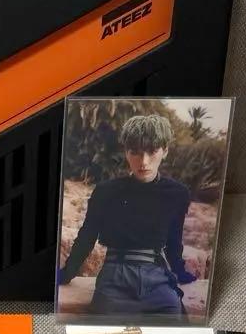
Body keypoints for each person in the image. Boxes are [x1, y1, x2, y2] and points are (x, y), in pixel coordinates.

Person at [57, 114, 196, 317]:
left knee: (175, 320)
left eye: (152, 151)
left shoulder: (177, 193)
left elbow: (174, 241)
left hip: (157, 278)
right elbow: (87, 236)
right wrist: (67, 273)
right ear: (126, 152)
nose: (144, 162)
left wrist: (180, 271)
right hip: (115, 277)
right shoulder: (106, 191)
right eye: (135, 152)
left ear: (165, 151)